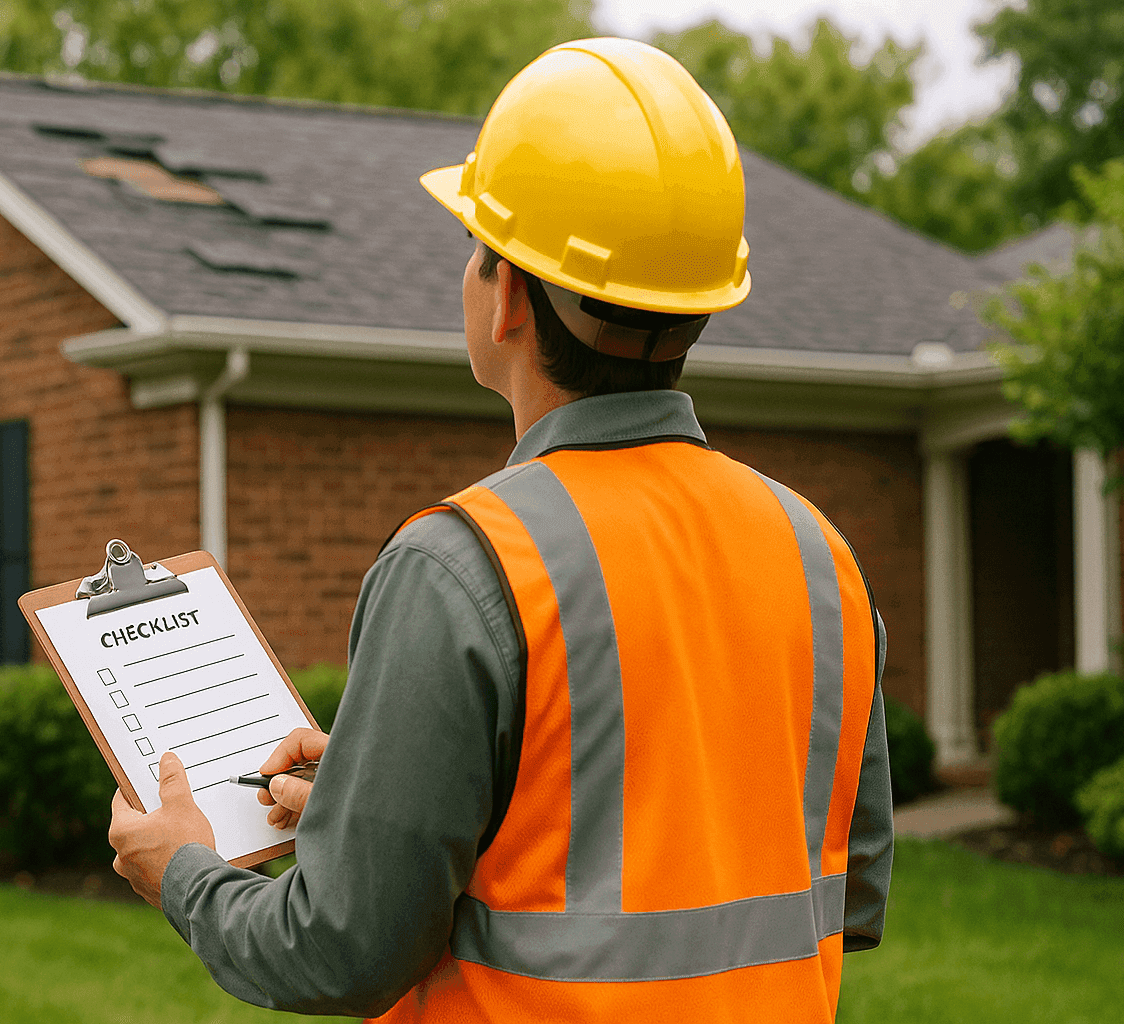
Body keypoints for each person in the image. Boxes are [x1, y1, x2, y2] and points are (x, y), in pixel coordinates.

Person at [108, 36, 893, 1021]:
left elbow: (336, 953)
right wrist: (381, 813)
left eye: (477, 245)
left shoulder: (461, 566)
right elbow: (838, 886)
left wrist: (180, 866)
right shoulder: (821, 553)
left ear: (510, 294)